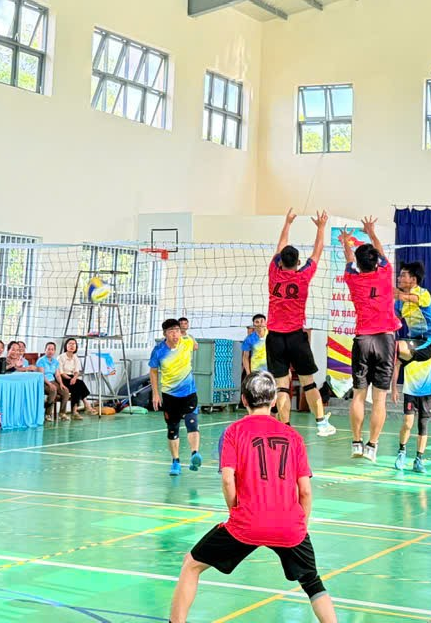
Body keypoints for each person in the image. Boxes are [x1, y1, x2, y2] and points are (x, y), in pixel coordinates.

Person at [168, 372, 336, 623]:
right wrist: (302, 527)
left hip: (246, 522)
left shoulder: (234, 432)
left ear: (244, 400)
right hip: (290, 526)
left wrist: (235, 510)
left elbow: (228, 479)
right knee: (313, 583)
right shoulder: (293, 436)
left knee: (191, 564)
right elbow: (305, 491)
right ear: (274, 401)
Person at [266, 210, 336, 436]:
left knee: (282, 386)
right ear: (297, 262)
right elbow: (317, 252)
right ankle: (321, 423)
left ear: (280, 261)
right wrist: (321, 228)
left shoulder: (274, 272)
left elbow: (280, 246)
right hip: (296, 337)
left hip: (275, 338)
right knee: (308, 383)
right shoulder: (303, 276)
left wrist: (287, 223)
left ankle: (285, 428)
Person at [340, 217, 399, 464]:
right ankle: (372, 446)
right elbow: (381, 253)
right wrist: (372, 232)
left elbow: (349, 260)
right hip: (385, 340)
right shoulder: (385, 273)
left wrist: (346, 242)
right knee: (379, 399)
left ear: (359, 264)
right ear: (375, 262)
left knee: (358, 395)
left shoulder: (352, 279)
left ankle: (356, 442)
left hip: (363, 339)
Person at [149, 319, 202, 476]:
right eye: (171, 331)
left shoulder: (187, 342)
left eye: (177, 331)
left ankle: (195, 453)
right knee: (173, 429)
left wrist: (190, 337)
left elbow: (195, 346)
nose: (175, 334)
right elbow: (153, 371)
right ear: (165, 333)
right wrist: (155, 393)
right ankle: (176, 462)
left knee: (192, 423)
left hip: (189, 393)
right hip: (170, 395)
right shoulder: (158, 351)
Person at [391, 338, 431, 472]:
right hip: (410, 392)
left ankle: (419, 459)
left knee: (423, 426)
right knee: (407, 423)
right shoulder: (407, 345)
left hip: (427, 393)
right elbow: (397, 366)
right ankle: (402, 451)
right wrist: (394, 388)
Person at [37, 342, 69, 422]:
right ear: (45, 350)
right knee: (53, 390)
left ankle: (62, 413)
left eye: (52, 349)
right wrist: (49, 384)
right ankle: (47, 414)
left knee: (65, 391)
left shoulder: (55, 362)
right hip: (43, 382)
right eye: (48, 349)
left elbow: (57, 375)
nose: (50, 351)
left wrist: (61, 384)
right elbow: (41, 375)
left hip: (53, 381)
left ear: (54, 351)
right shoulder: (41, 361)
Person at [58, 339, 89, 419]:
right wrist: (71, 379)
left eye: (74, 344)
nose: (72, 346)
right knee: (79, 383)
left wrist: (74, 378)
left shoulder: (75, 357)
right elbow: (61, 372)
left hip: (72, 378)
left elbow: (76, 371)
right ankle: (82, 407)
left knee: (77, 386)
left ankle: (76, 411)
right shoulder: (61, 357)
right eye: (70, 344)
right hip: (63, 378)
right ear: (66, 346)